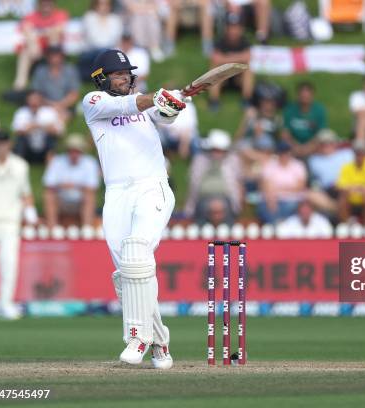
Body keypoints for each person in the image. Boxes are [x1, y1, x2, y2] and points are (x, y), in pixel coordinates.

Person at [83, 48, 189, 368]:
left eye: (127, 74)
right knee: (128, 273)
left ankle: (137, 336)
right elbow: (129, 104)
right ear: (102, 78)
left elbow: (166, 118)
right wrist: (158, 96)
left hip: (152, 186)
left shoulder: (144, 101)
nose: (125, 79)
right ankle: (160, 342)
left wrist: (172, 104)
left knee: (137, 251)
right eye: (118, 74)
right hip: (116, 194)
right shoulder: (93, 102)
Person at [0, 131, 38, 320]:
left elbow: (26, 193)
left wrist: (31, 213)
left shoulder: (20, 166)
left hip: (10, 222)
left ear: (9, 144)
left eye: (5, 142)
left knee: (8, 264)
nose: (2, 146)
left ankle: (5, 304)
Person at [184, 129, 243, 225]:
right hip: (203, 199)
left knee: (225, 211)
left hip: (226, 200)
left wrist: (236, 207)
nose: (217, 153)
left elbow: (237, 186)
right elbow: (193, 186)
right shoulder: (199, 161)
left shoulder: (233, 161)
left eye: (220, 150)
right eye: (214, 150)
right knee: (203, 211)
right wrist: (189, 209)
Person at [42, 135, 101, 228]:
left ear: (81, 151)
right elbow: (49, 185)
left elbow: (92, 187)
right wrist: (77, 186)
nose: (74, 154)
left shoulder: (90, 163)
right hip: (61, 200)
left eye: (77, 151)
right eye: (71, 151)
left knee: (90, 196)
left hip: (80, 200)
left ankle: (87, 228)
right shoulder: (57, 161)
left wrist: (67, 185)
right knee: (49, 195)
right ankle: (51, 228)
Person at [13, 0, 69, 90]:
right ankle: (20, 84)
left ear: (53, 5)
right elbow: (26, 29)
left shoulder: (60, 14)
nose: (46, 7)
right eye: (43, 4)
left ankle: (54, 80)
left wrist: (39, 33)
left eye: (48, 4)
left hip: (53, 48)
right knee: (26, 51)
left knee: (53, 36)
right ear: (38, 5)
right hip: (35, 49)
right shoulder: (31, 16)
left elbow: (58, 29)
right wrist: (36, 40)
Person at [208, 13, 254, 111]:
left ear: (241, 29)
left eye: (236, 28)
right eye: (231, 28)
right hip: (223, 78)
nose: (233, 31)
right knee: (213, 68)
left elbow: (248, 57)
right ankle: (214, 101)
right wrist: (238, 58)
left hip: (238, 78)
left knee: (248, 69)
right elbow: (215, 59)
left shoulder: (245, 41)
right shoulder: (220, 41)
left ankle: (247, 100)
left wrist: (226, 58)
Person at [306, 129, 354, 216]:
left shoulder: (347, 154)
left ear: (335, 143)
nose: (326, 145)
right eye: (323, 143)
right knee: (310, 195)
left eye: (329, 143)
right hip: (327, 190)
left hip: (346, 185)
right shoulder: (314, 160)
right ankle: (340, 210)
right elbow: (314, 181)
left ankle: (342, 211)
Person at [258, 141, 307, 224]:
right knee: (265, 206)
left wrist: (278, 188)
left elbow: (300, 187)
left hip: (293, 200)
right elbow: (266, 186)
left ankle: (281, 227)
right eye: (282, 153)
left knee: (291, 207)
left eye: (286, 152)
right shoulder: (270, 165)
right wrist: (272, 198)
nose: (284, 155)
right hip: (273, 199)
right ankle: (278, 227)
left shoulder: (298, 165)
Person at [336, 139, 365, 225]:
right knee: (342, 197)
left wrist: (354, 188)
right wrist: (360, 188)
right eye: (357, 153)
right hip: (351, 200)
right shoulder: (347, 167)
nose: (359, 155)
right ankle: (347, 225)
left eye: (362, 152)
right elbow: (340, 186)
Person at [31, 45, 80, 123]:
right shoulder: (40, 71)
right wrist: (52, 105)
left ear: (62, 57)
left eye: (57, 56)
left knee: (62, 117)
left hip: (66, 107)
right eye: (52, 56)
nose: (55, 59)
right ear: (47, 57)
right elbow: (36, 94)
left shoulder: (70, 70)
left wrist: (60, 105)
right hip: (45, 106)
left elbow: (74, 94)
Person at [11, 89, 63, 164]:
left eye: (36, 99)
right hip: (28, 148)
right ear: (27, 101)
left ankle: (50, 164)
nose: (34, 102)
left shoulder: (50, 112)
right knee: (21, 139)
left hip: (44, 148)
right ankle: (19, 164)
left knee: (51, 138)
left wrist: (38, 126)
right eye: (31, 100)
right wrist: (35, 127)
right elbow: (17, 131)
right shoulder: (21, 112)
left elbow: (59, 131)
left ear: (41, 101)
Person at [79, 0, 124, 80]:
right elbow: (93, 40)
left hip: (108, 51)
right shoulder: (89, 17)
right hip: (91, 52)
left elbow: (116, 39)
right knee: (103, 52)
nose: (104, 7)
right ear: (95, 5)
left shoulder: (115, 19)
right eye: (101, 4)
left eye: (106, 4)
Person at [281, 82, 327, 158]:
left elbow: (320, 133)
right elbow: (285, 133)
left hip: (313, 146)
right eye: (302, 96)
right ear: (298, 96)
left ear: (312, 96)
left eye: (307, 96)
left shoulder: (319, 110)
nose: (304, 98)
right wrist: (295, 146)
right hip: (293, 146)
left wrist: (308, 147)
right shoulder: (289, 109)